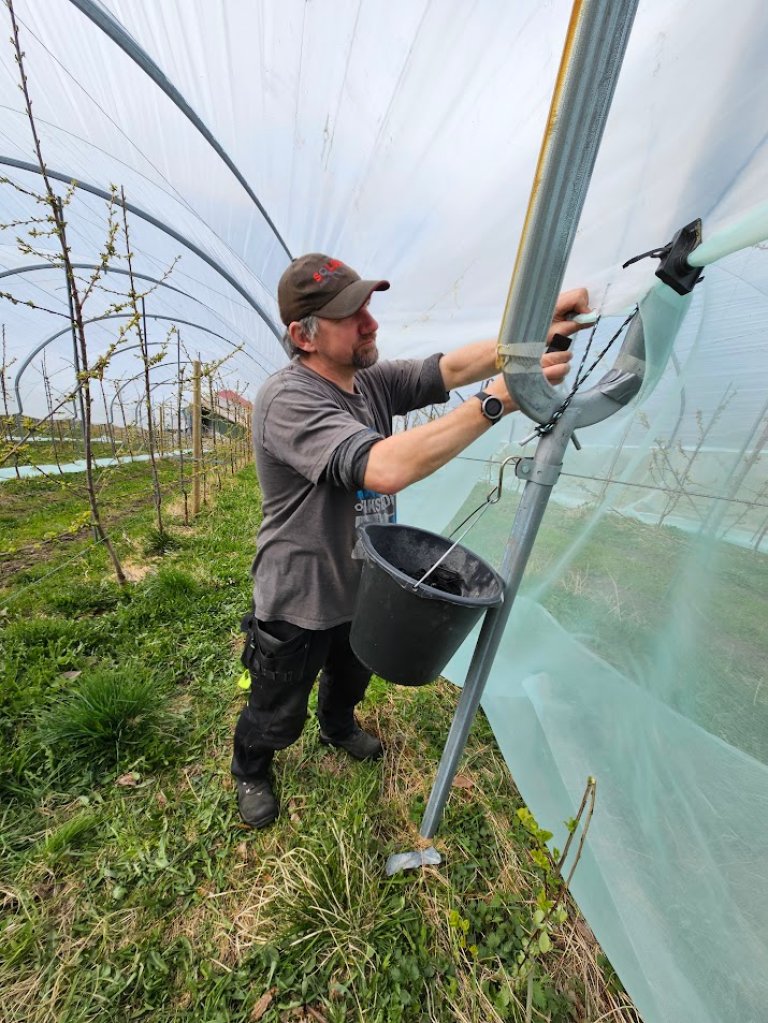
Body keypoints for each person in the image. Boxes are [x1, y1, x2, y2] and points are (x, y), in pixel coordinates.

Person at [232, 252, 589, 828]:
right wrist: (496, 400)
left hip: (364, 580)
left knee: (351, 672)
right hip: (302, 590)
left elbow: (446, 370)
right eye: (352, 316)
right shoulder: (289, 398)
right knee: (277, 701)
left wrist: (530, 332)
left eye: (367, 306)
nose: (370, 322)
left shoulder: (368, 382)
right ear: (305, 335)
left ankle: (339, 725)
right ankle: (252, 766)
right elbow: (383, 467)